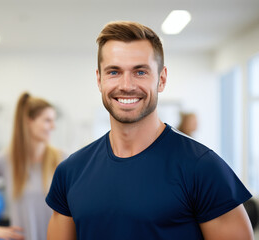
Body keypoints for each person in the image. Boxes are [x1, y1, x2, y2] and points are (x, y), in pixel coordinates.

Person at [46, 21, 253, 240]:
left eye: (140, 72)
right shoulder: (70, 172)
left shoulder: (203, 168)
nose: (126, 85)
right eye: (114, 72)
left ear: (161, 79)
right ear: (99, 79)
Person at [0, 92, 61, 240]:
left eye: (53, 120)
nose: (53, 127)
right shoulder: (7, 159)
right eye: (47, 120)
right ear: (29, 121)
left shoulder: (62, 158)